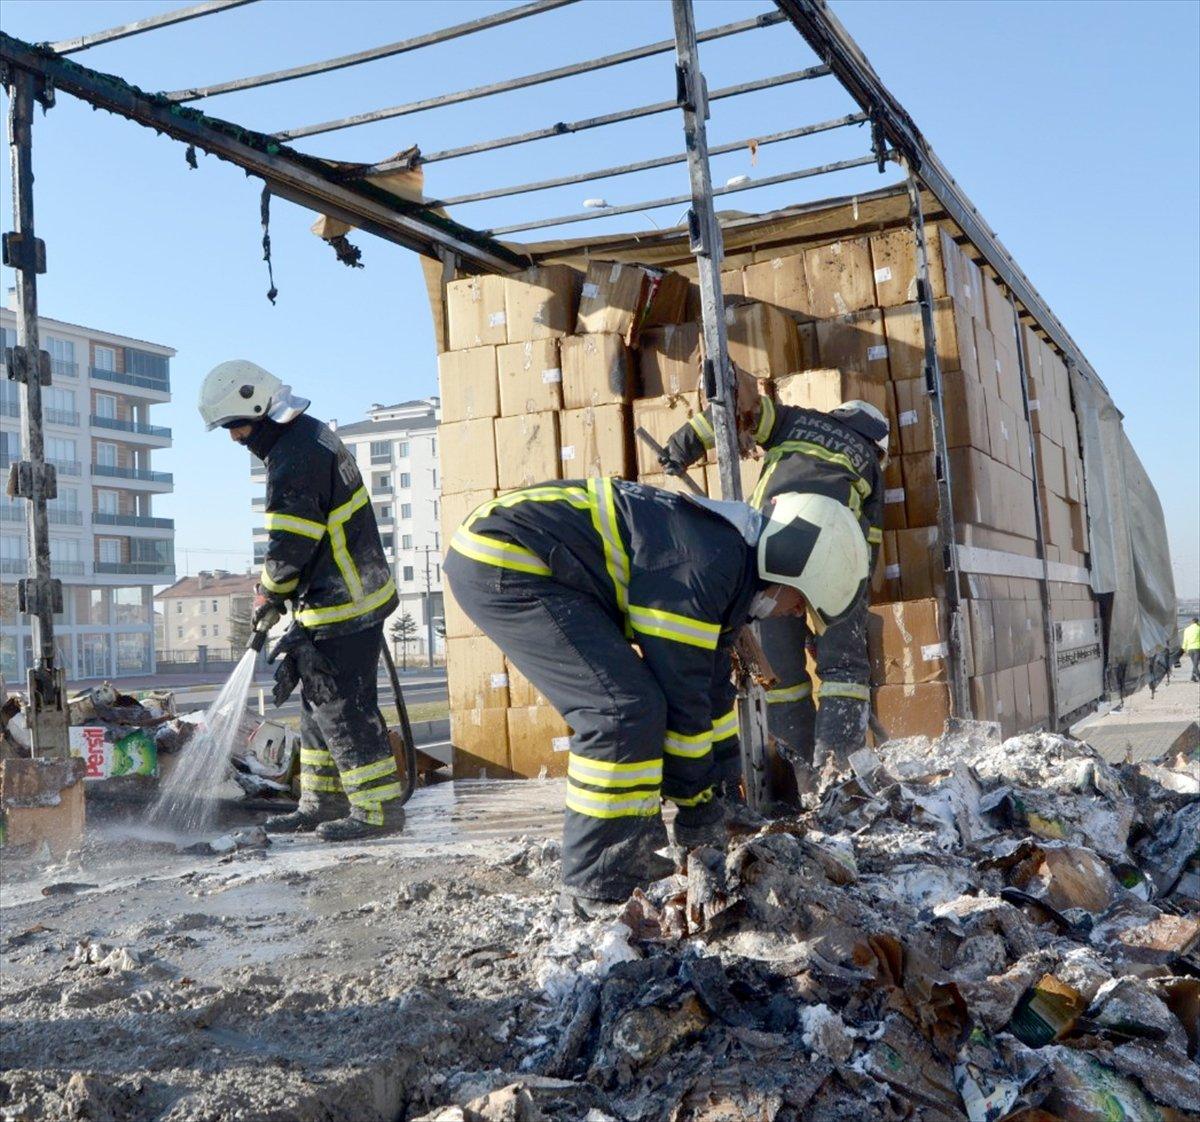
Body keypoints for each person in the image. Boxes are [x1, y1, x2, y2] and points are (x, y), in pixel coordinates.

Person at [443, 477, 869, 912]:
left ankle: (624, 860)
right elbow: (682, 695)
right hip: (507, 558)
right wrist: (697, 811)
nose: (796, 613)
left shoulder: (726, 564)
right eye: (801, 602)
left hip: (531, 555)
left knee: (635, 705)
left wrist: (722, 793)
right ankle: (602, 879)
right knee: (620, 710)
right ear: (789, 565)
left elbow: (710, 694)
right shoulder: (705, 565)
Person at [197, 360, 403, 841]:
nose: (234, 438)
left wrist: (269, 590)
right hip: (343, 596)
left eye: (236, 425)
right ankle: (321, 802)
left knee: (343, 707)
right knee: (317, 704)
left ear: (259, 409)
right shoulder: (307, 436)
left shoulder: (295, 457)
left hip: (344, 603)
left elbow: (291, 542)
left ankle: (377, 811)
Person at [660, 372, 888, 796]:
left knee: (781, 676)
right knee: (845, 672)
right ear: (878, 444)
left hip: (769, 548)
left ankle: (796, 780)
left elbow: (737, 415)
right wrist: (838, 621)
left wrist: (684, 444)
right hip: (831, 559)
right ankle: (836, 778)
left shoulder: (797, 420)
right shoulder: (870, 463)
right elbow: (865, 553)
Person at [1184, 616, 1200, 683]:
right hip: (1197, 648)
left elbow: (1185, 640)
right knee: (1195, 664)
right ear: (1197, 622)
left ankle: (1193, 677)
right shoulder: (1199, 628)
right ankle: (1198, 676)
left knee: (1194, 663)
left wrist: (1184, 648)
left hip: (1190, 649)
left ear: (1191, 622)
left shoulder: (1187, 629)